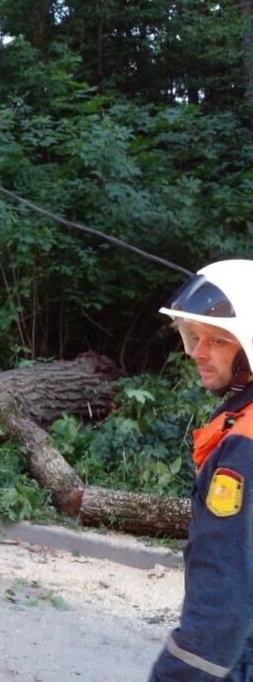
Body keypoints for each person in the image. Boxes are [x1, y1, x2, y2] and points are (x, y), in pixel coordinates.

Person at [149, 259, 253, 681]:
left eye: (219, 341)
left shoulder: (245, 445)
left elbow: (226, 572)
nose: (197, 352)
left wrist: (185, 668)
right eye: (195, 336)